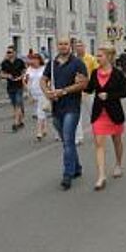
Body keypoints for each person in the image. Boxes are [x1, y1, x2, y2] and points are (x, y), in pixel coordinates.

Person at [41, 37, 88, 190]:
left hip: (72, 107)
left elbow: (83, 83)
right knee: (66, 141)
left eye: (66, 44)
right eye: (60, 44)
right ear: (57, 46)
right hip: (56, 107)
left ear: (70, 46)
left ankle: (67, 175)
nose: (63, 46)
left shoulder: (77, 63)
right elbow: (43, 79)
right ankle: (77, 167)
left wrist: (64, 91)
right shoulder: (52, 64)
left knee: (68, 140)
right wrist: (47, 92)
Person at [85, 46, 126, 191]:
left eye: (100, 56)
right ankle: (101, 176)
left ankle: (118, 164)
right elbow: (89, 89)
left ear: (109, 57)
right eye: (97, 56)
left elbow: (125, 92)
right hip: (99, 113)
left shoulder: (117, 74)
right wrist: (82, 82)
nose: (97, 58)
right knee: (98, 143)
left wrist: (109, 96)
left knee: (116, 140)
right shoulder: (94, 73)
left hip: (114, 113)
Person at [74, 39, 98, 145]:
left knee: (92, 113)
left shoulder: (91, 59)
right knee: (77, 114)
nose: (79, 48)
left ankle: (97, 133)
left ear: (84, 47)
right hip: (76, 90)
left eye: (81, 46)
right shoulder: (73, 60)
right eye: (77, 46)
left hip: (88, 90)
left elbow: (96, 74)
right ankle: (78, 137)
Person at [0, 45, 26, 132]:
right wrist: (7, 75)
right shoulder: (4, 63)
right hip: (10, 86)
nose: (8, 54)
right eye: (7, 52)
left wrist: (21, 77)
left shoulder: (20, 62)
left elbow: (25, 72)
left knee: (18, 104)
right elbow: (1, 74)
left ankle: (15, 123)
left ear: (15, 53)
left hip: (19, 86)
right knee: (15, 104)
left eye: (10, 52)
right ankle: (21, 121)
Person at [24, 53, 47, 140]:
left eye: (35, 59)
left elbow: (48, 80)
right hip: (33, 92)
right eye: (32, 59)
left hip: (42, 92)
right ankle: (44, 128)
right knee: (41, 111)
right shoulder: (29, 69)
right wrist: (28, 93)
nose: (33, 61)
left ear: (39, 60)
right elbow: (26, 81)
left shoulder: (44, 69)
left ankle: (39, 132)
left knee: (40, 111)